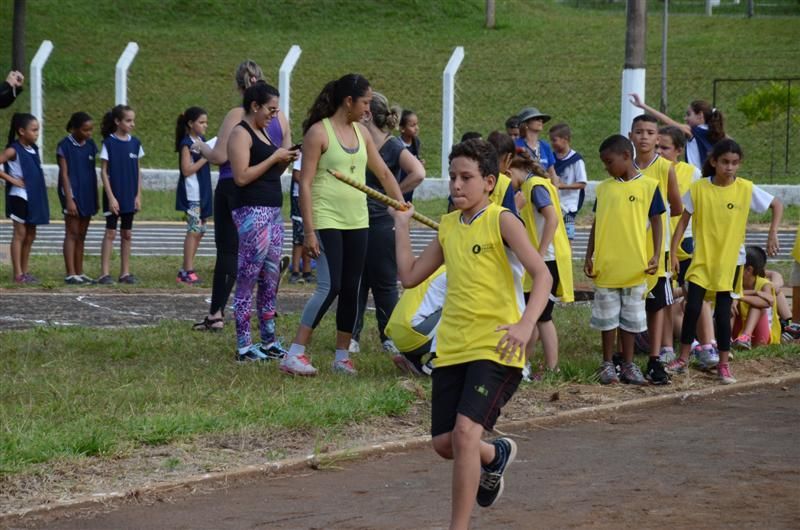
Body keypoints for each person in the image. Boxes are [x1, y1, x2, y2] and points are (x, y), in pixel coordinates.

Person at [390, 139, 551, 529]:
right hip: (452, 347)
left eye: (467, 178)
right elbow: (409, 276)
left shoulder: (502, 220)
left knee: (463, 435)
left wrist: (526, 324)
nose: (457, 186)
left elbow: (542, 274)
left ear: (489, 182)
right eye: (453, 178)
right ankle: (494, 457)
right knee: (445, 444)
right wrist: (402, 226)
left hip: (497, 346)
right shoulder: (448, 226)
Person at [284, 74, 405, 376]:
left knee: (351, 288)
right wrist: (309, 231)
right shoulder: (318, 133)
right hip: (327, 220)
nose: (368, 109)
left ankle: (342, 357)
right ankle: (295, 352)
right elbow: (306, 184)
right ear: (348, 101)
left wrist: (401, 204)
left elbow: (385, 174)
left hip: (358, 220)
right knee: (330, 285)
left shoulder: (362, 134)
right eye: (364, 102)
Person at [668, 139, 783, 384]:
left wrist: (772, 232)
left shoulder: (745, 188)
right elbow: (682, 221)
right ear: (714, 162)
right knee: (693, 307)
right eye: (725, 162)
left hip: (731, 263)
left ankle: (723, 364)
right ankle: (683, 358)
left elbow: (776, 205)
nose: (729, 167)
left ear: (739, 165)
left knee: (722, 313)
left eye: (734, 163)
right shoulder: (699, 188)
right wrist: (673, 252)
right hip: (702, 260)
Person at [191, 60, 291, 332]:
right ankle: (266, 318)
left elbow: (222, 156)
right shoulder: (280, 117)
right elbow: (283, 157)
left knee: (230, 252)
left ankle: (217, 313)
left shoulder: (239, 115)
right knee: (263, 256)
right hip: (268, 193)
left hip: (234, 186)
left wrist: (202, 148)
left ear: (240, 87)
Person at [350, 92, 425, 371]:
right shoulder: (358, 140)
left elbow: (418, 172)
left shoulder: (392, 146)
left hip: (383, 221)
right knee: (356, 278)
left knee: (383, 280)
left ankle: (389, 336)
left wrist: (392, 195)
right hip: (357, 218)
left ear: (369, 114)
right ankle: (352, 335)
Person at [584, 135, 665, 385]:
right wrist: (589, 254)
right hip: (607, 267)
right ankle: (607, 364)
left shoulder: (649, 186)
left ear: (626, 157)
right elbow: (597, 224)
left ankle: (628, 365)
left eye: (609, 162)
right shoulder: (604, 188)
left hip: (635, 267)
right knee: (607, 319)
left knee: (631, 320)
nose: (606, 167)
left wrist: (656, 255)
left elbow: (657, 222)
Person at [227, 82, 297, 362]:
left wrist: (284, 159)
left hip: (271, 211)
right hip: (251, 212)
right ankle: (244, 344)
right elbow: (242, 176)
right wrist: (275, 158)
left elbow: (269, 170)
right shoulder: (240, 134)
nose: (273, 115)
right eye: (270, 109)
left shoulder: (263, 131)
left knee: (270, 278)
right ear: (255, 106)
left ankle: (268, 339)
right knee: (248, 276)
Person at [656, 126, 718, 369]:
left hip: (686, 242)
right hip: (660, 242)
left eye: (665, 147)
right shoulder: (652, 171)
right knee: (665, 297)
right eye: (657, 147)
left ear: (679, 150)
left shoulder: (691, 173)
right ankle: (667, 348)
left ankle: (708, 345)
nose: (660, 151)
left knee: (697, 294)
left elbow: (697, 207)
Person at [509, 152, 573, 379]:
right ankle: (525, 363)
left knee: (542, 316)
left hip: (548, 260)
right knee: (534, 314)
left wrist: (541, 251)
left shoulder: (535, 186)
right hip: (545, 259)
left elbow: (552, 218)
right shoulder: (533, 186)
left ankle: (551, 367)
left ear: (511, 171)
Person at [629, 114, 681, 384]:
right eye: (639, 132)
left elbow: (677, 207)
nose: (645, 137)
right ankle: (623, 356)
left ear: (657, 137)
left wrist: (669, 247)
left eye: (650, 132)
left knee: (657, 302)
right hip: (629, 244)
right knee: (629, 295)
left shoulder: (665, 168)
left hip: (656, 247)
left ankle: (655, 356)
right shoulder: (625, 166)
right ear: (631, 136)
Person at [98, 105, 143, 285]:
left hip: (129, 196)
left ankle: (125, 273)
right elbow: (103, 171)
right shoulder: (108, 143)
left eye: (133, 120)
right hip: (114, 196)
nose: (132, 124)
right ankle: (104, 273)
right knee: (110, 233)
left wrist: (138, 195)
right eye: (128, 120)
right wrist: (111, 197)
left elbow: (138, 170)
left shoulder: (135, 143)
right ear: (117, 122)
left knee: (127, 234)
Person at [0, 113, 48, 283]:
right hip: (19, 197)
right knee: (20, 233)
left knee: (30, 235)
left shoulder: (33, 149)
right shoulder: (13, 149)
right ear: (21, 131)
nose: (37, 133)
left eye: (38, 130)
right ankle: (18, 273)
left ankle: (25, 271)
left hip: (33, 196)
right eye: (34, 130)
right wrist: (12, 180)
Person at [629, 93, 726, 170]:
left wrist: (643, 106)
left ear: (700, 115)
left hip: (698, 177)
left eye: (688, 114)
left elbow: (668, 121)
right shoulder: (718, 133)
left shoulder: (694, 131)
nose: (685, 118)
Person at [57, 112, 98, 285]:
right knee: (72, 232)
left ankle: (80, 272)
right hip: (72, 194)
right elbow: (64, 174)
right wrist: (69, 198)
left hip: (88, 192)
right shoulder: (64, 146)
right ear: (74, 128)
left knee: (82, 234)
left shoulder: (90, 144)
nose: (89, 133)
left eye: (91, 130)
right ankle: (70, 273)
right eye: (85, 130)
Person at [384, 266, 447, 376]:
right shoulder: (459, 273)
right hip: (415, 333)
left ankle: (411, 358)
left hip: (398, 333)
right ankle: (436, 361)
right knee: (463, 311)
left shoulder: (438, 268)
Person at [175, 106, 211, 284]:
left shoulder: (202, 140)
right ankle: (187, 270)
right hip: (192, 194)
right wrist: (206, 157)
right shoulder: (186, 144)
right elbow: (187, 170)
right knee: (194, 230)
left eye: (206, 122)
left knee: (201, 230)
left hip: (204, 191)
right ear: (190, 123)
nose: (205, 125)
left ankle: (186, 266)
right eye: (201, 122)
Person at [731, 246, 782, 348]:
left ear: (748, 270)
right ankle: (727, 338)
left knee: (757, 305)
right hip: (737, 331)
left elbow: (767, 302)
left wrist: (738, 297)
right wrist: (753, 293)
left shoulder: (764, 283)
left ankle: (745, 337)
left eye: (737, 266)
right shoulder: (734, 282)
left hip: (761, 336)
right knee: (729, 303)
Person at [549, 123, 587, 242]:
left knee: (567, 239)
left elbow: (582, 183)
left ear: (565, 139)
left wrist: (562, 186)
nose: (552, 144)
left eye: (554, 140)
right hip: (554, 204)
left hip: (569, 207)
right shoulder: (551, 158)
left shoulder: (576, 160)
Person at [515, 107, 557, 183]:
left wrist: (555, 193)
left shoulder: (545, 146)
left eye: (541, 119)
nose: (540, 121)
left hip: (544, 191)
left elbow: (552, 173)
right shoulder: (516, 145)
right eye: (536, 118)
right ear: (526, 124)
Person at [288, 154, 313, 284]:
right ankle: (295, 271)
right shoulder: (302, 154)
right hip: (299, 197)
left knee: (310, 235)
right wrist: (309, 183)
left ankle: (307, 270)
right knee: (299, 237)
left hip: (315, 198)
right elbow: (296, 175)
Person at [485, 131, 520, 214]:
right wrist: (517, 207)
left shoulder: (472, 173)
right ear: (508, 158)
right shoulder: (504, 182)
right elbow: (511, 223)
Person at [398, 109, 423, 202]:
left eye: (417, 124)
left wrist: (419, 164)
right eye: (412, 125)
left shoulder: (416, 142)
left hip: (410, 180)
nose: (416, 128)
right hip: (400, 180)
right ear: (402, 128)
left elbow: (415, 158)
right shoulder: (397, 144)